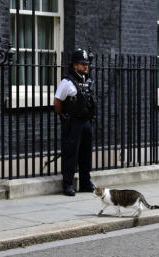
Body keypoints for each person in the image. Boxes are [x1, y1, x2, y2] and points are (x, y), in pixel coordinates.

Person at [54, 49, 97, 196]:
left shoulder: (87, 81)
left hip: (86, 122)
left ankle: (85, 182)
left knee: (86, 154)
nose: (86, 66)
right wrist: (64, 117)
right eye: (82, 64)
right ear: (74, 65)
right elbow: (57, 102)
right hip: (73, 122)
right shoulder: (66, 82)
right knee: (70, 154)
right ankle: (68, 184)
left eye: (87, 64)